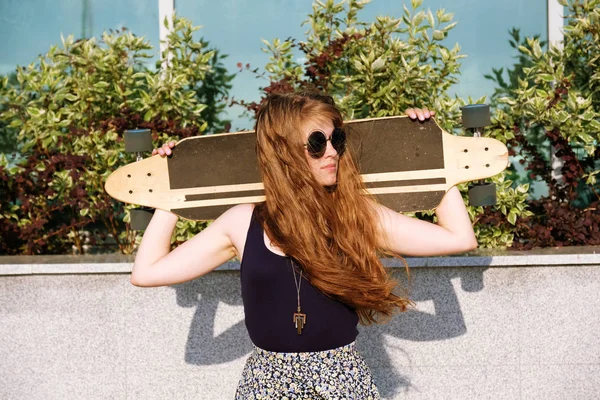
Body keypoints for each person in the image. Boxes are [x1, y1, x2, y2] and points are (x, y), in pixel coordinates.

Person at [130, 92, 477, 399]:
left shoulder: (356, 215)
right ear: (283, 154)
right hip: (267, 385)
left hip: (343, 382)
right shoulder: (243, 222)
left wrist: (434, 157)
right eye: (316, 143)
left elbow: (459, 238)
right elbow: (147, 273)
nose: (331, 153)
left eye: (336, 139)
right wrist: (168, 191)